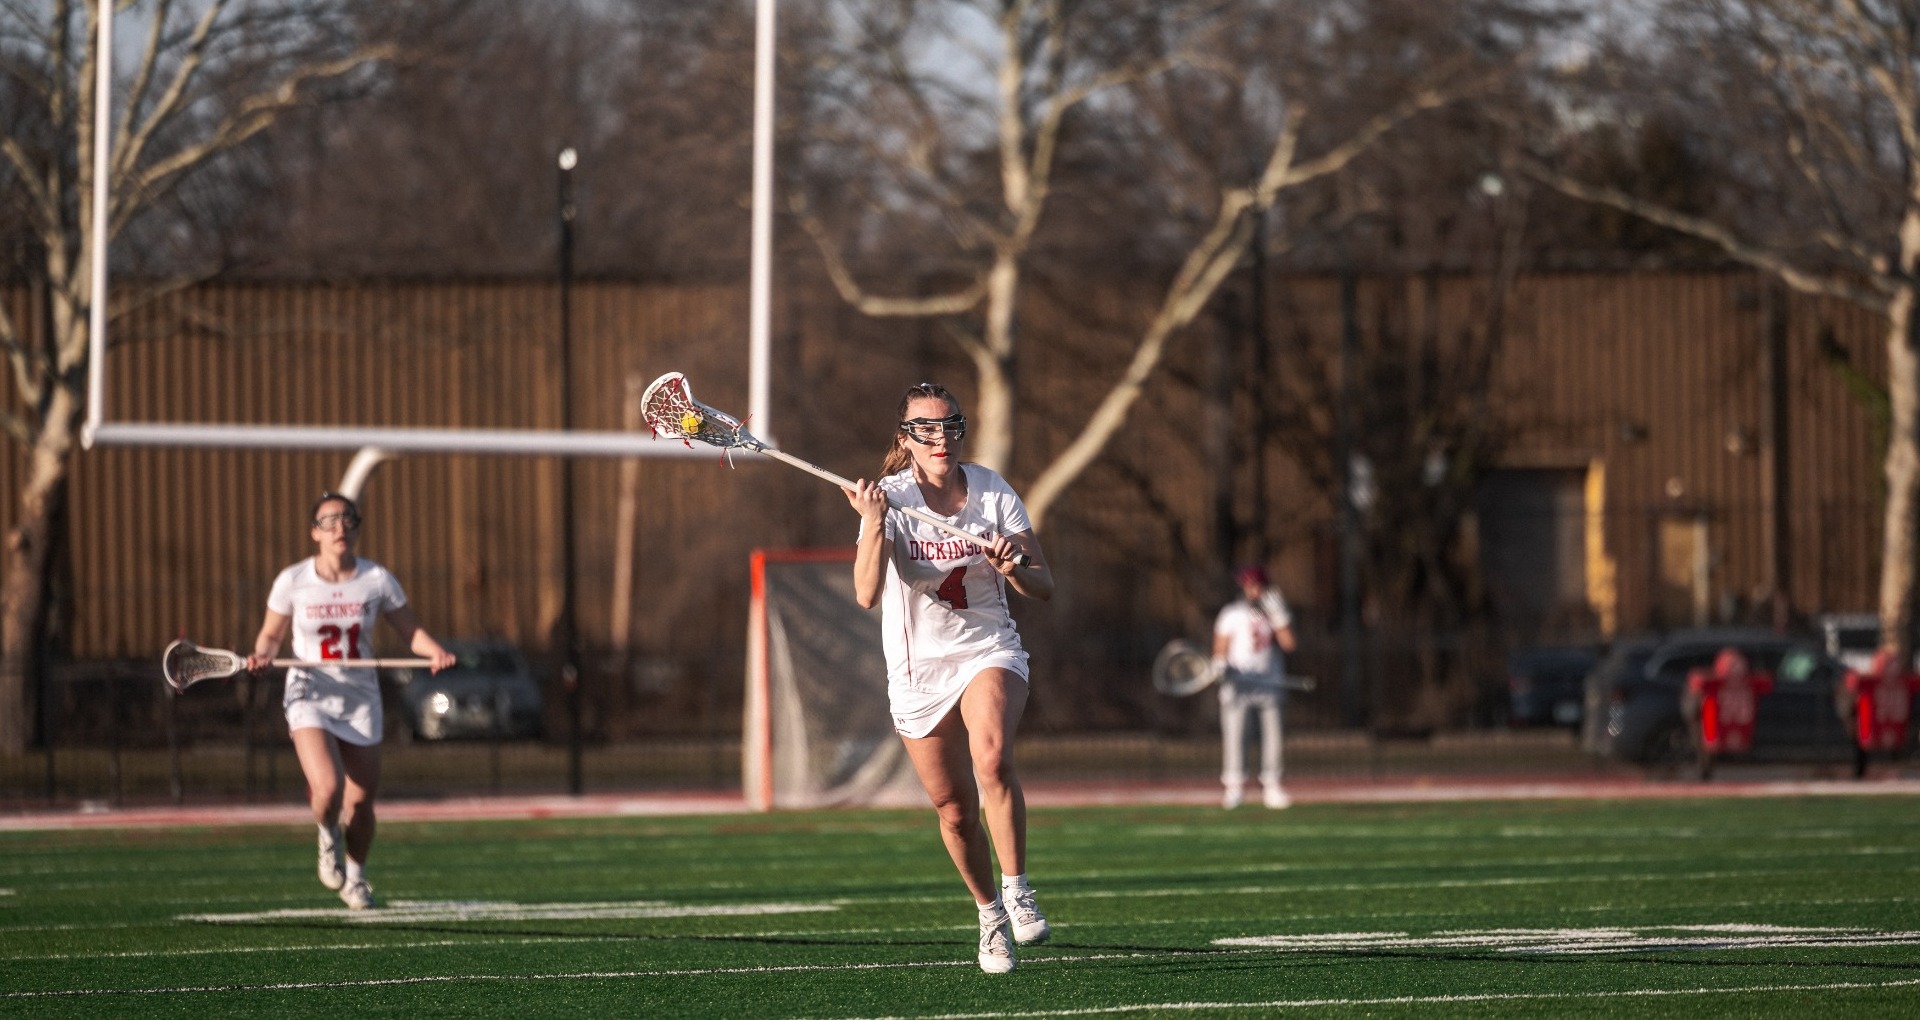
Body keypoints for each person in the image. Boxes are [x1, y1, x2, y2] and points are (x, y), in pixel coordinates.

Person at [843, 383, 1056, 975]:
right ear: (905, 438)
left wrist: (1013, 567)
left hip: (988, 649)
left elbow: (1044, 586)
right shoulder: (888, 497)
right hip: (917, 670)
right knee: (955, 810)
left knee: (992, 757)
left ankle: (1017, 889)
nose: (940, 438)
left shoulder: (994, 493)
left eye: (949, 425)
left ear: (961, 429)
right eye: (926, 429)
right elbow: (864, 594)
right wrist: (871, 524)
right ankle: (989, 915)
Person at [246, 492, 455, 909]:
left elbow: (410, 629)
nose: (339, 527)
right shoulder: (293, 580)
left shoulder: (376, 579)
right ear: (314, 533)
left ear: (357, 528)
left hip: (360, 696)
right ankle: (327, 835)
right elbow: (271, 634)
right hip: (310, 690)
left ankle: (356, 878)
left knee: (360, 802)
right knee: (328, 787)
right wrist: (263, 655)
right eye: (329, 521)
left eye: (347, 519)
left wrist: (433, 650)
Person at [1212, 563, 1297, 810]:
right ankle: (1235, 787)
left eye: (1256, 586)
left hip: (1270, 685)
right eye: (1248, 586)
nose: (1252, 591)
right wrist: (1220, 664)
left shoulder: (1276, 612)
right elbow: (1220, 647)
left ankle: (1272, 786)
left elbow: (1289, 644)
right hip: (1239, 686)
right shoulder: (1231, 613)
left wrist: (1279, 617)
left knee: (1273, 738)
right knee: (1235, 737)